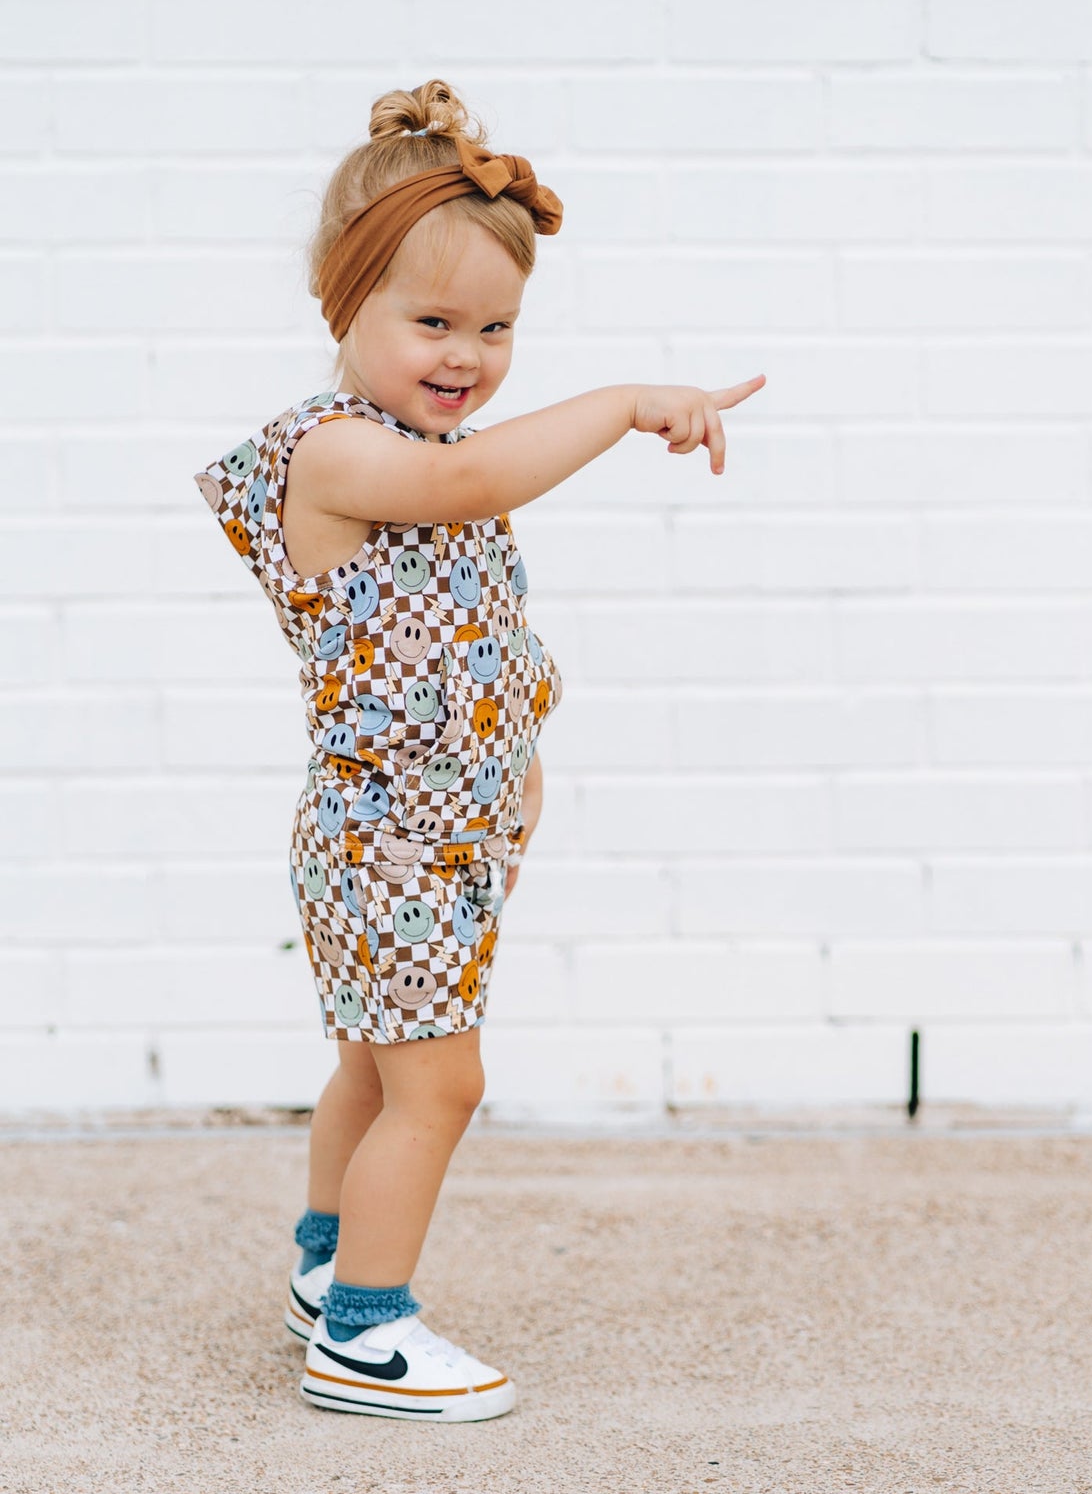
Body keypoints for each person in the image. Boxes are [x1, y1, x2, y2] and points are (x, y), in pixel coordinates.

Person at [193, 78, 766, 1423]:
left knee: (372, 1066)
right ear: (347, 306)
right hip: (387, 837)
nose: (466, 355)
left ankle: (326, 1270)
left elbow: (478, 646)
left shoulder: (409, 437)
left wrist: (520, 786)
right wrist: (626, 401)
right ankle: (366, 1335)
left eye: (497, 328)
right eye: (431, 322)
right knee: (440, 1081)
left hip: (438, 837)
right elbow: (470, 485)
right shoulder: (338, 452)